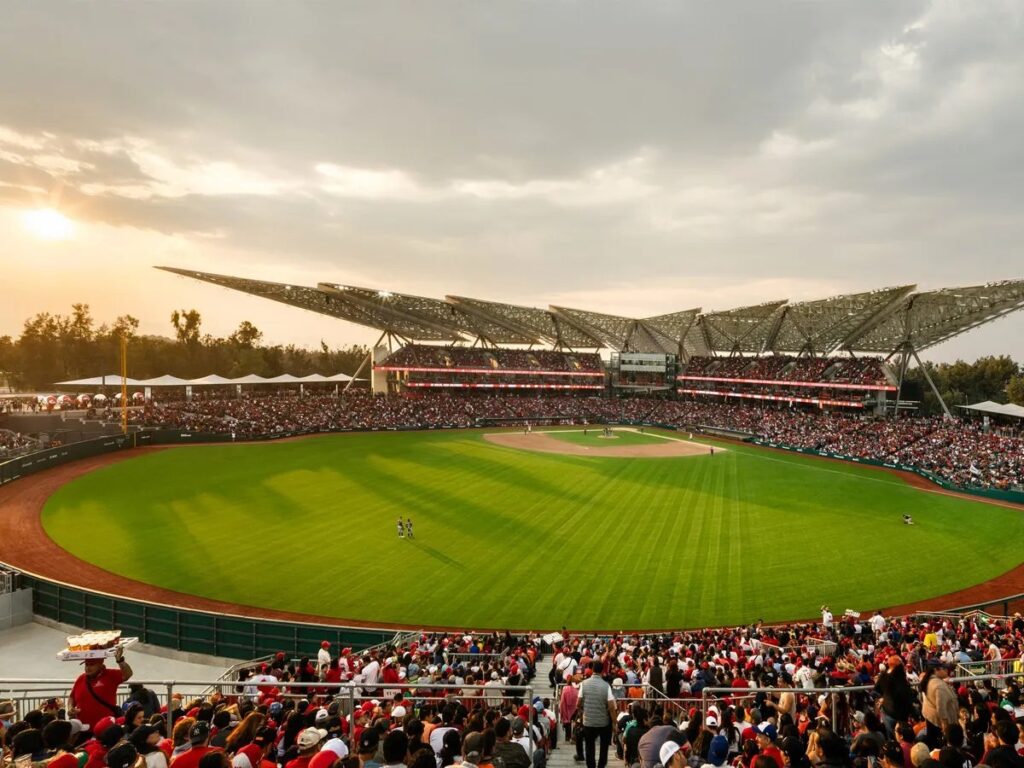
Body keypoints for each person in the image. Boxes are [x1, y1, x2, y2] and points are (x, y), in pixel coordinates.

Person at [69, 647, 133, 730]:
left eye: (92, 665)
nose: (88, 668)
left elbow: (127, 674)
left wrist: (120, 661)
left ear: (100, 665)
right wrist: (70, 708)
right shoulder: (81, 678)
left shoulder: (110, 675)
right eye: (86, 665)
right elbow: (72, 697)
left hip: (105, 729)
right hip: (83, 729)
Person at [578, 661, 617, 768]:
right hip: (603, 723)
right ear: (602, 671)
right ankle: (601, 765)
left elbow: (578, 703)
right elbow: (611, 707)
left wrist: (583, 712)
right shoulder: (606, 686)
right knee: (604, 747)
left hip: (588, 722)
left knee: (589, 747)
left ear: (592, 670)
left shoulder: (584, 684)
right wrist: (614, 723)